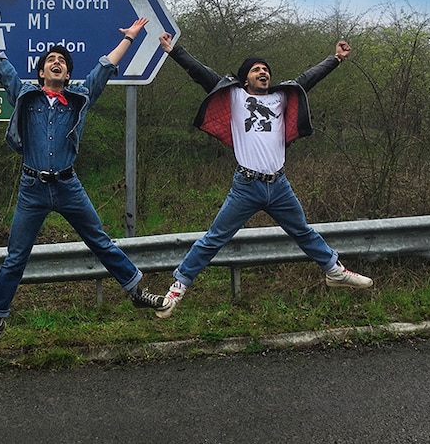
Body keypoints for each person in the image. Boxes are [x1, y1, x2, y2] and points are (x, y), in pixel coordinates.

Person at [0, 8, 170, 360]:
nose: (57, 63)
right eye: (51, 61)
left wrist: (129, 37)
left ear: (68, 72)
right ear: (41, 71)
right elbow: (1, 65)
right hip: (32, 188)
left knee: (101, 241)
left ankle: (135, 290)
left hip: (68, 186)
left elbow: (104, 70)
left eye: (62, 61)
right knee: (16, 257)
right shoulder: (25, 96)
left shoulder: (79, 98)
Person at [155, 33, 373, 319]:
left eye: (266, 69)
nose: (264, 72)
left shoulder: (281, 97)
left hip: (279, 185)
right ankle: (177, 289)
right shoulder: (234, 95)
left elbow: (308, 78)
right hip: (246, 186)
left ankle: (334, 272)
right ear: (245, 79)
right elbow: (202, 74)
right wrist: (175, 51)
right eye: (257, 69)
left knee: (303, 232)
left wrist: (335, 59)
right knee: (214, 239)